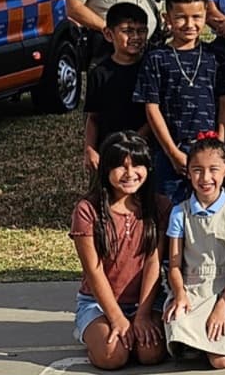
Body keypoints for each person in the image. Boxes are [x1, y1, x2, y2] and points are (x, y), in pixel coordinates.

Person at [70, 131, 169, 371]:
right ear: (105, 168)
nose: (130, 173)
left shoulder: (160, 206)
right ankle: (92, 333)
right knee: (112, 356)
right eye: (121, 166)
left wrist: (143, 314)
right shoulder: (87, 210)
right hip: (98, 304)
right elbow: (94, 271)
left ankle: (132, 328)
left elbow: (154, 262)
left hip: (146, 302)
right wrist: (115, 318)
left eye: (137, 165)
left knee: (150, 354)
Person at [136, 0, 225, 202]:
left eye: (197, 17)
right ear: (167, 18)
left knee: (209, 206)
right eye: (181, 18)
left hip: (210, 149)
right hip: (171, 150)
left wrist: (219, 144)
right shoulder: (156, 58)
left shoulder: (215, 55)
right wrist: (172, 152)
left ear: (206, 16)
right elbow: (152, 107)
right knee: (168, 210)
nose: (190, 25)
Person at [163, 134, 225, 369]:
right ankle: (193, 341)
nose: (205, 178)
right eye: (197, 170)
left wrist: (221, 306)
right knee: (178, 324)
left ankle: (215, 340)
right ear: (188, 172)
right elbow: (174, 265)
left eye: (213, 169)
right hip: (192, 288)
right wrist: (180, 294)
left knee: (221, 361)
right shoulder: (179, 212)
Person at [82, 3, 149, 173]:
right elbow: (93, 117)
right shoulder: (99, 73)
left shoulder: (150, 69)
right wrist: (89, 148)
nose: (135, 37)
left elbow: (155, 116)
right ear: (108, 34)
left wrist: (132, 143)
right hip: (109, 152)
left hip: (144, 150)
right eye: (127, 31)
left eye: (141, 31)